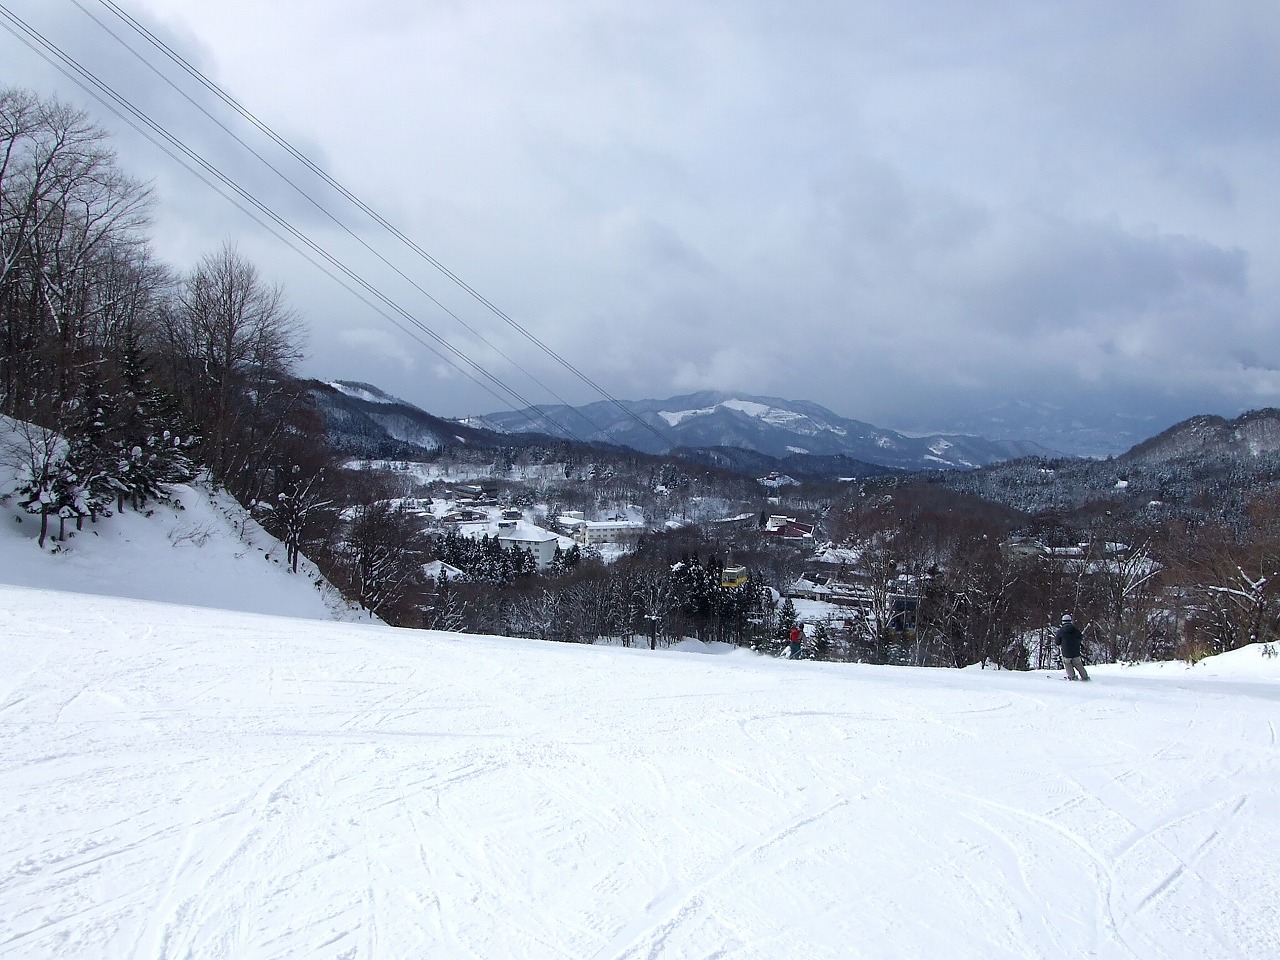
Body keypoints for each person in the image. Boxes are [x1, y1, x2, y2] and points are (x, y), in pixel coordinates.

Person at [1055, 614, 1090, 681]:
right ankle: (1085, 677)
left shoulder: (1060, 631)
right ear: (1070, 621)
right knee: (1079, 665)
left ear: (1062, 621)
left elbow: (1057, 642)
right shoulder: (1075, 630)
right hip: (1076, 652)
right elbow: (1080, 637)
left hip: (1066, 652)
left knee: (1067, 665)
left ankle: (1072, 677)